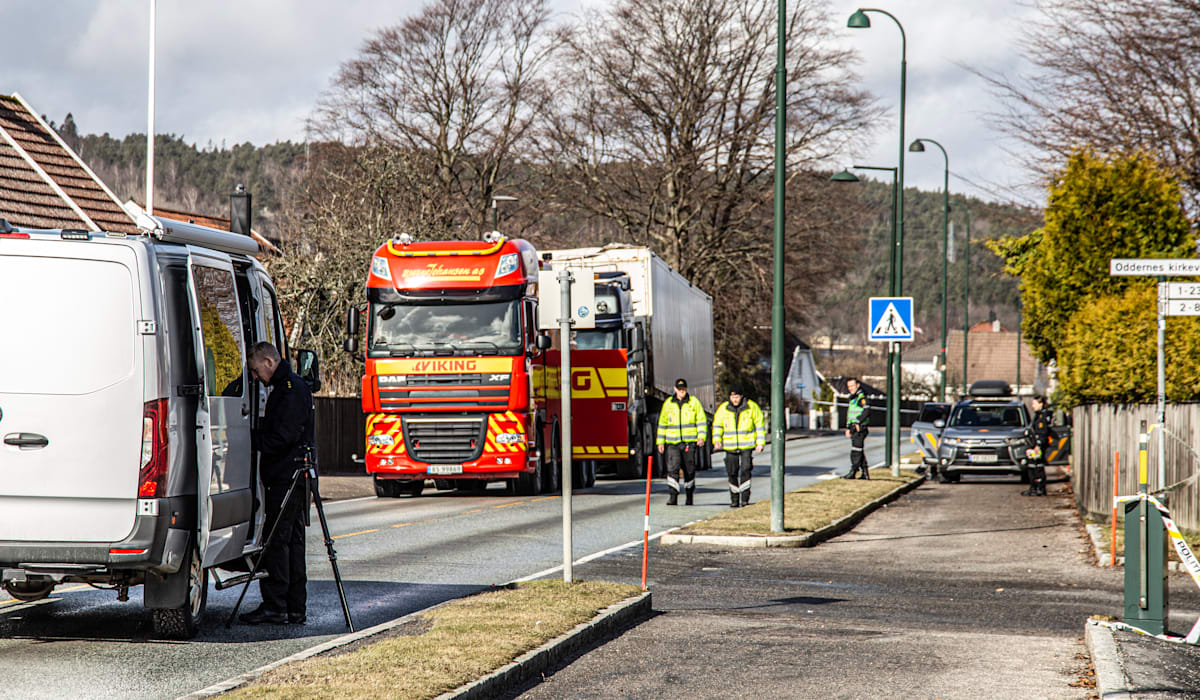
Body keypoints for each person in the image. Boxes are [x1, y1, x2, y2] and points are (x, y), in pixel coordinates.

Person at [239, 342, 315, 625]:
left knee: (277, 542)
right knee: (292, 542)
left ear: (269, 362)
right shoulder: (291, 387)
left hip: (286, 477)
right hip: (292, 476)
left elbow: (282, 437)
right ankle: (294, 607)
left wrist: (251, 438)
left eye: (256, 370)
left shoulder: (288, 391)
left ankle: (276, 605)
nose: (255, 377)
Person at [712, 386, 765, 508]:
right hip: (730, 446)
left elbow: (759, 426)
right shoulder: (723, 409)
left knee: (746, 470)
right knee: (732, 472)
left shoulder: (752, 407)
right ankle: (734, 499)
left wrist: (760, 443)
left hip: (747, 445)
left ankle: (745, 498)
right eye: (732, 397)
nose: (735, 399)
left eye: (737, 397)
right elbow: (717, 425)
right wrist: (717, 440)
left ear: (741, 396)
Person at [657, 378, 707, 505]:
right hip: (672, 444)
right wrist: (660, 442)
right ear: (675, 389)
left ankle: (689, 496)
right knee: (672, 469)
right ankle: (673, 497)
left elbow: (701, 421)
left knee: (689, 470)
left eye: (683, 389)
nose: (681, 391)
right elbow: (662, 424)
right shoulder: (668, 404)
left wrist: (701, 437)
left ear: (686, 389)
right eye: (679, 389)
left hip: (688, 443)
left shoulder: (694, 403)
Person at [1022, 395, 1053, 497]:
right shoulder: (1038, 415)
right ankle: (1034, 487)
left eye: (1034, 403)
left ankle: (1039, 488)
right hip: (1034, 444)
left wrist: (1038, 445)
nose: (1032, 406)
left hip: (1038, 445)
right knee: (1032, 465)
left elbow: (1042, 432)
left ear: (1041, 404)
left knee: (1037, 466)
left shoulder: (1042, 417)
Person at [841, 377, 870, 480]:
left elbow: (867, 411)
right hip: (853, 427)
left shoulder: (862, 397)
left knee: (856, 451)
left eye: (852, 386)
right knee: (859, 450)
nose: (850, 388)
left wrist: (858, 421)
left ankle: (853, 472)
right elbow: (850, 414)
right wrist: (848, 427)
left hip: (860, 428)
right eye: (849, 386)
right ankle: (865, 473)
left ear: (857, 385)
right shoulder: (853, 398)